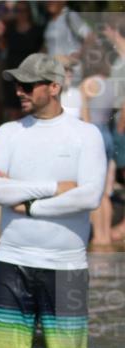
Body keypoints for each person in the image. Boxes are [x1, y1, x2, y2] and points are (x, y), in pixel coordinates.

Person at [0, 54, 105, 348]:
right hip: (10, 263)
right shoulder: (8, 133)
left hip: (67, 269)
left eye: (28, 85)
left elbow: (89, 197)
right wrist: (53, 187)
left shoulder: (86, 135)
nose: (19, 90)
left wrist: (30, 206)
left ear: (54, 87)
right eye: (18, 85)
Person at [78, 47, 116, 247]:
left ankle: (99, 239)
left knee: (95, 189)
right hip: (108, 134)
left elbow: (85, 115)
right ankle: (106, 235)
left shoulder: (87, 84)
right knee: (105, 192)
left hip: (94, 133)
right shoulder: (111, 85)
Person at [2, 2, 45, 122]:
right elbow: (3, 46)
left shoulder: (38, 30)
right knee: (12, 112)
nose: (21, 14)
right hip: (12, 74)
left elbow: (42, 51)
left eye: (24, 10)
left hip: (30, 76)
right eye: (18, 11)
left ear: (29, 12)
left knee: (29, 111)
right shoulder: (9, 29)